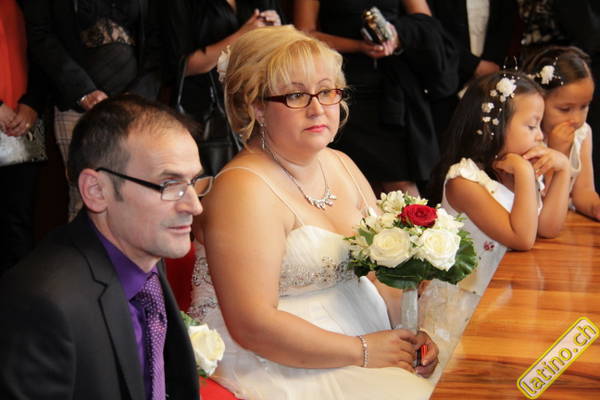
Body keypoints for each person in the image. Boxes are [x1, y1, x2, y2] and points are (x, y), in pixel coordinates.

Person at [189, 25, 438, 400]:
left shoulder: (340, 163)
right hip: (283, 362)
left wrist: (411, 335)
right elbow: (252, 325)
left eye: (326, 91)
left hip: (365, 338)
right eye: (295, 95)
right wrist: (363, 350)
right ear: (256, 106)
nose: (317, 108)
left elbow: (379, 272)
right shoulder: (242, 189)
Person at [0, 95, 209, 399]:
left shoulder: (144, 251)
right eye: (169, 185)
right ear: (96, 190)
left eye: (194, 182)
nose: (194, 206)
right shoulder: (41, 303)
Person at [294, 0, 458, 197]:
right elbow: (304, 33)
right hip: (344, 86)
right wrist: (358, 46)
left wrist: (397, 36)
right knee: (354, 183)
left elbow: (426, 23)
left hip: (393, 91)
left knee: (401, 183)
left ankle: (416, 218)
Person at [431, 71, 570, 296]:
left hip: (509, 286)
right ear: (491, 128)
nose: (540, 136)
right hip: (469, 297)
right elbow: (522, 239)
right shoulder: (464, 182)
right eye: (532, 126)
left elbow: (547, 228)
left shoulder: (517, 169)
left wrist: (563, 171)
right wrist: (524, 173)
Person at [21, 0, 163, 219]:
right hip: (78, 106)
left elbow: (158, 44)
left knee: (138, 194)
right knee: (87, 198)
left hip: (135, 110)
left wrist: (137, 96)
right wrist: (84, 92)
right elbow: (41, 35)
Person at [164, 0, 283, 175]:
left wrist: (278, 32)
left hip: (257, 106)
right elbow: (182, 66)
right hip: (206, 111)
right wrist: (241, 36)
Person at [522, 46, 600, 221]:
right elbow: (543, 208)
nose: (577, 119)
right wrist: (558, 153)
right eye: (565, 109)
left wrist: (596, 207)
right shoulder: (525, 137)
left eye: (584, 106)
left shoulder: (583, 133)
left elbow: (584, 192)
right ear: (539, 99)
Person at [0, 0, 47, 275]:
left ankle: (16, 296)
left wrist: (32, 104)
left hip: (22, 123)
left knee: (17, 220)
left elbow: (42, 51)